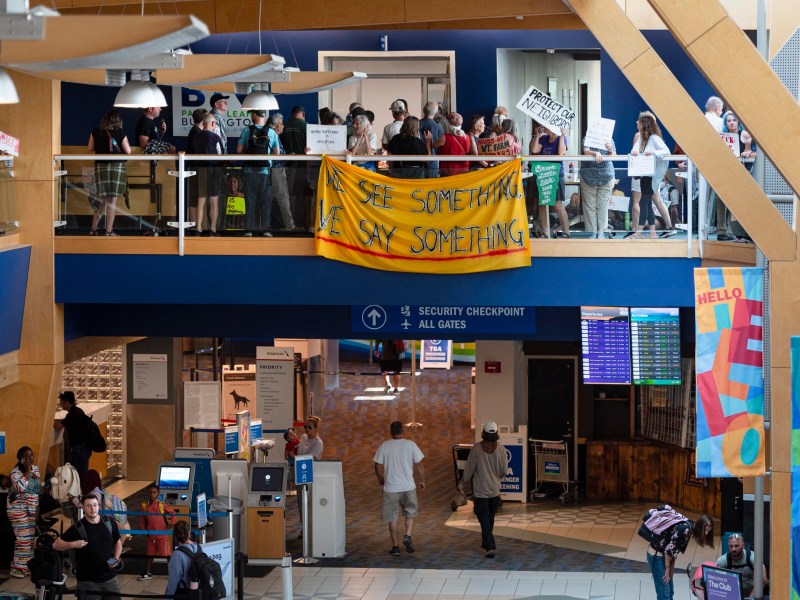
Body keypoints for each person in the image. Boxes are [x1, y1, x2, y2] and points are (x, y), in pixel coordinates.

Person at [53, 494, 122, 600]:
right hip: (87, 582)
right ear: (83, 508)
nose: (92, 509)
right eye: (89, 506)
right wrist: (72, 544)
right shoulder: (77, 528)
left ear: (99, 506)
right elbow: (56, 545)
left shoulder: (109, 522)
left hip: (110, 579)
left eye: (95, 505)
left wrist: (115, 558)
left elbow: (117, 543)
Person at [373, 421, 425, 557]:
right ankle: (407, 535)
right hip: (408, 487)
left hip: (391, 488)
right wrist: (422, 480)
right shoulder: (410, 445)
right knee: (410, 513)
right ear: (403, 431)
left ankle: (395, 547)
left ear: (391, 432)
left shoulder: (385, 446)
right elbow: (419, 465)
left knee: (393, 518)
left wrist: (380, 478)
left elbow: (378, 465)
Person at [460, 421, 508, 558]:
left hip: (480, 490)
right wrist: (497, 478)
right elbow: (504, 470)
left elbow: (469, 470)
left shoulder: (476, 448)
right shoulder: (501, 449)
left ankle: (490, 545)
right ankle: (486, 542)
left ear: (483, 433)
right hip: (494, 490)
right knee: (490, 517)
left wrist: (462, 483)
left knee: (483, 517)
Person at [646, 510, 713, 600]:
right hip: (657, 556)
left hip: (665, 557)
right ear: (700, 526)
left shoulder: (689, 527)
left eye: (708, 531)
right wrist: (668, 569)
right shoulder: (686, 529)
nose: (706, 533)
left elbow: (674, 551)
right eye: (705, 530)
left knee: (670, 592)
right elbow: (668, 550)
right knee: (664, 593)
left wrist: (671, 570)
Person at [87, 109, 131, 236]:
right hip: (116, 168)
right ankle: (108, 231)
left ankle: (93, 229)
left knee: (101, 199)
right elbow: (128, 151)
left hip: (100, 167)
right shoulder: (120, 131)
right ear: (118, 120)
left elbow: (90, 148)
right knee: (112, 201)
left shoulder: (96, 131)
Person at [237, 109, 279, 237]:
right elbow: (277, 153)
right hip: (265, 171)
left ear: (255, 115)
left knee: (250, 200)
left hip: (249, 171)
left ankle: (249, 230)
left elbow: (239, 150)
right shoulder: (272, 132)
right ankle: (266, 229)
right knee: (265, 200)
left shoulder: (246, 130)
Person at [629, 112, 670, 239]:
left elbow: (665, 151)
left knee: (643, 202)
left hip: (653, 175)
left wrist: (653, 153)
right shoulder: (641, 138)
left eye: (639, 123)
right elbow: (635, 149)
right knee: (647, 204)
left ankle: (639, 232)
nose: (637, 124)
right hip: (643, 174)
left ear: (644, 125)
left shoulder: (655, 139)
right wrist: (635, 152)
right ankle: (652, 232)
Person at [531, 123, 571, 238]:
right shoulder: (543, 138)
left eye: (546, 126)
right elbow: (534, 150)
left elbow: (561, 153)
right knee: (542, 203)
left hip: (557, 173)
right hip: (543, 173)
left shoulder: (561, 138)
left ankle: (566, 231)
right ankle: (546, 232)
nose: (544, 128)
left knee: (558, 205)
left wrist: (562, 136)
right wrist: (537, 135)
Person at [7, 446, 41, 578]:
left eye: (31, 455)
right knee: (23, 539)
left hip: (31, 508)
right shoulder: (15, 472)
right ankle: (17, 568)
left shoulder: (36, 469)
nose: (30, 458)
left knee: (30, 539)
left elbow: (36, 488)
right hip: (17, 508)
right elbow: (20, 488)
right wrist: (27, 470)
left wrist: (37, 508)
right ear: (21, 459)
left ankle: (28, 567)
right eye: (26, 456)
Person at [280, 105, 312, 231]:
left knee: (289, 195)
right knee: (307, 195)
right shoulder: (308, 127)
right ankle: (307, 224)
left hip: (287, 166)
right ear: (303, 115)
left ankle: (290, 224)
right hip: (305, 167)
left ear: (292, 114)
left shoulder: (283, 126)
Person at [191, 113, 223, 236]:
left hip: (199, 170)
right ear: (212, 124)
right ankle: (213, 230)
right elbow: (220, 156)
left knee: (201, 200)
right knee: (214, 201)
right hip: (213, 170)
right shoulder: (215, 138)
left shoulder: (196, 136)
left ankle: (198, 229)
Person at [580, 134, 616, 239]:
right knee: (589, 206)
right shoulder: (587, 138)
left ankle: (602, 232)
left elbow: (614, 155)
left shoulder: (609, 140)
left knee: (603, 205)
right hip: (588, 177)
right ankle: (591, 233)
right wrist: (595, 153)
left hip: (606, 177)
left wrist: (610, 150)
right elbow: (585, 151)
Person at [267, 113, 298, 231]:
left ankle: (261, 224)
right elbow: (276, 155)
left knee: (269, 198)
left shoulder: (272, 134)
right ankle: (289, 225)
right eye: (281, 124)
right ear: (275, 125)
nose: (283, 126)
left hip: (272, 170)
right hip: (276, 170)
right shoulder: (272, 134)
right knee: (283, 197)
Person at [137, 483, 175, 581]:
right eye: (150, 493)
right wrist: (144, 530)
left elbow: (172, 513)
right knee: (150, 555)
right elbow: (141, 519)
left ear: (158, 494)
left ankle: (173, 573)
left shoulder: (161, 505)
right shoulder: (144, 506)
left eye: (154, 493)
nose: (152, 494)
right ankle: (148, 573)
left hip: (162, 536)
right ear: (147, 494)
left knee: (167, 555)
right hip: (151, 536)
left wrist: (171, 524)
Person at [715, 532, 767, 597]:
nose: (733, 549)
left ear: (743, 545)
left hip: (751, 593)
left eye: (736, 546)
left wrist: (752, 596)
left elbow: (763, 578)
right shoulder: (723, 560)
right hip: (732, 594)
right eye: (731, 546)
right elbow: (713, 578)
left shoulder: (752, 557)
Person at [53, 391, 91, 478]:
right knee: (82, 472)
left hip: (79, 450)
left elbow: (58, 426)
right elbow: (66, 422)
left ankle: (81, 491)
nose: (60, 404)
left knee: (79, 474)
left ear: (66, 402)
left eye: (61, 402)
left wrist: (48, 421)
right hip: (84, 448)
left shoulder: (72, 414)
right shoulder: (77, 411)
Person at [185, 108, 208, 229]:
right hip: (196, 169)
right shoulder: (197, 133)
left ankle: (194, 226)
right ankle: (195, 226)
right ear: (203, 119)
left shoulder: (195, 131)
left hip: (194, 168)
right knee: (196, 198)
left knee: (195, 198)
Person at [165, 520, 198, 597]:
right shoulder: (199, 548)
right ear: (189, 533)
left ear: (175, 536)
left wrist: (169, 596)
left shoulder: (177, 555)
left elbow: (173, 580)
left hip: (184, 591)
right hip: (198, 590)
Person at [438, 112, 476, 177]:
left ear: (448, 124)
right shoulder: (467, 137)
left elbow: (433, 145)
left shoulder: (444, 137)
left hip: (447, 172)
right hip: (463, 171)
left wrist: (428, 141)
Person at [419, 100, 445, 178]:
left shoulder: (417, 124)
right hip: (433, 161)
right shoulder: (438, 127)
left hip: (418, 160)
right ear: (436, 113)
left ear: (424, 110)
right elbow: (442, 145)